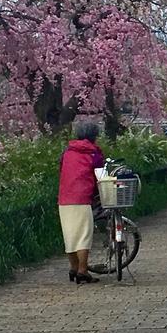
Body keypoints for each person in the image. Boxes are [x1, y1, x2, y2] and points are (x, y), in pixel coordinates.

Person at [58, 119, 104, 285]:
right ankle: (83, 271)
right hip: (82, 197)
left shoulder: (67, 152)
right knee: (84, 235)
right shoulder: (94, 153)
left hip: (64, 197)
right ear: (94, 136)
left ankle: (73, 268)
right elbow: (101, 176)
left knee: (70, 235)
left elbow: (61, 170)